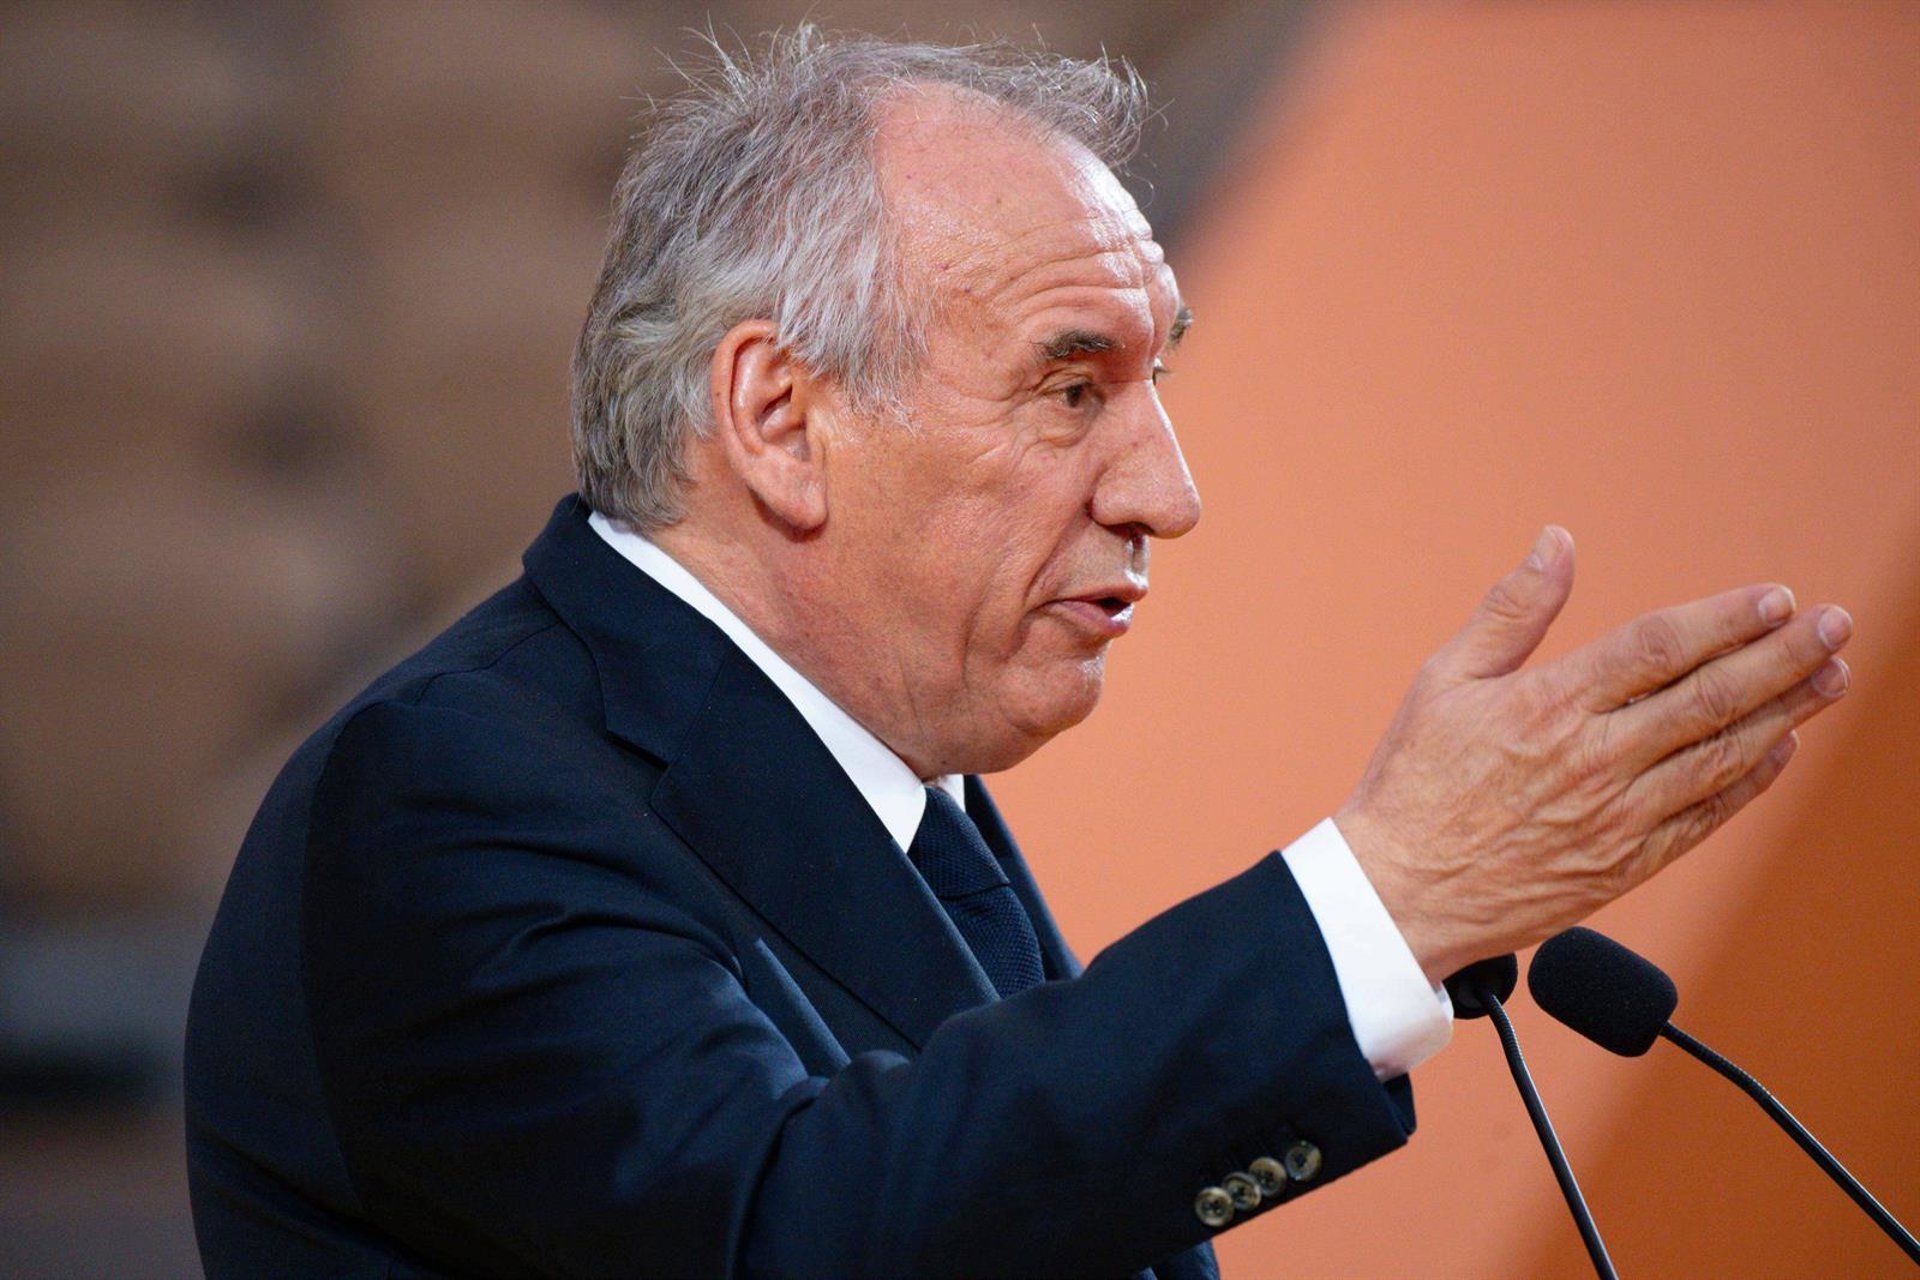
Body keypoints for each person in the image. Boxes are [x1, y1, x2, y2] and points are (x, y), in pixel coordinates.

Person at [184, 29, 1853, 1280]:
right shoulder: (448, 794)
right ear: (779, 417)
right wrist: (1381, 904)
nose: (1167, 492)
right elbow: (788, 1233)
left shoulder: (905, 791)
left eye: (1153, 382)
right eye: (1071, 388)